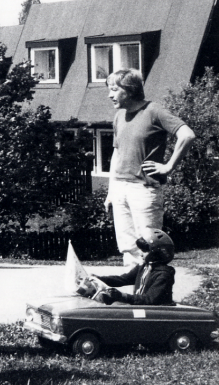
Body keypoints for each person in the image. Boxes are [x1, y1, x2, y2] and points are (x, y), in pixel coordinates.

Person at [104, 69, 195, 267]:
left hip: (144, 190)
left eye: (114, 89)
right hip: (120, 189)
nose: (110, 95)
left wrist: (168, 166)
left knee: (149, 247)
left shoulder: (154, 111)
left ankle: (151, 294)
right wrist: (111, 192)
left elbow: (187, 135)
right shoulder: (119, 116)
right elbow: (116, 154)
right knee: (128, 248)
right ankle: (135, 294)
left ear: (129, 90)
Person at [77, 229, 175, 306]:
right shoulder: (144, 267)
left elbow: (149, 299)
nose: (140, 253)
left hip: (156, 313)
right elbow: (123, 279)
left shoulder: (164, 274)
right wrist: (98, 278)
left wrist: (122, 296)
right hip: (143, 309)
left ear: (156, 253)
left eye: (144, 251)